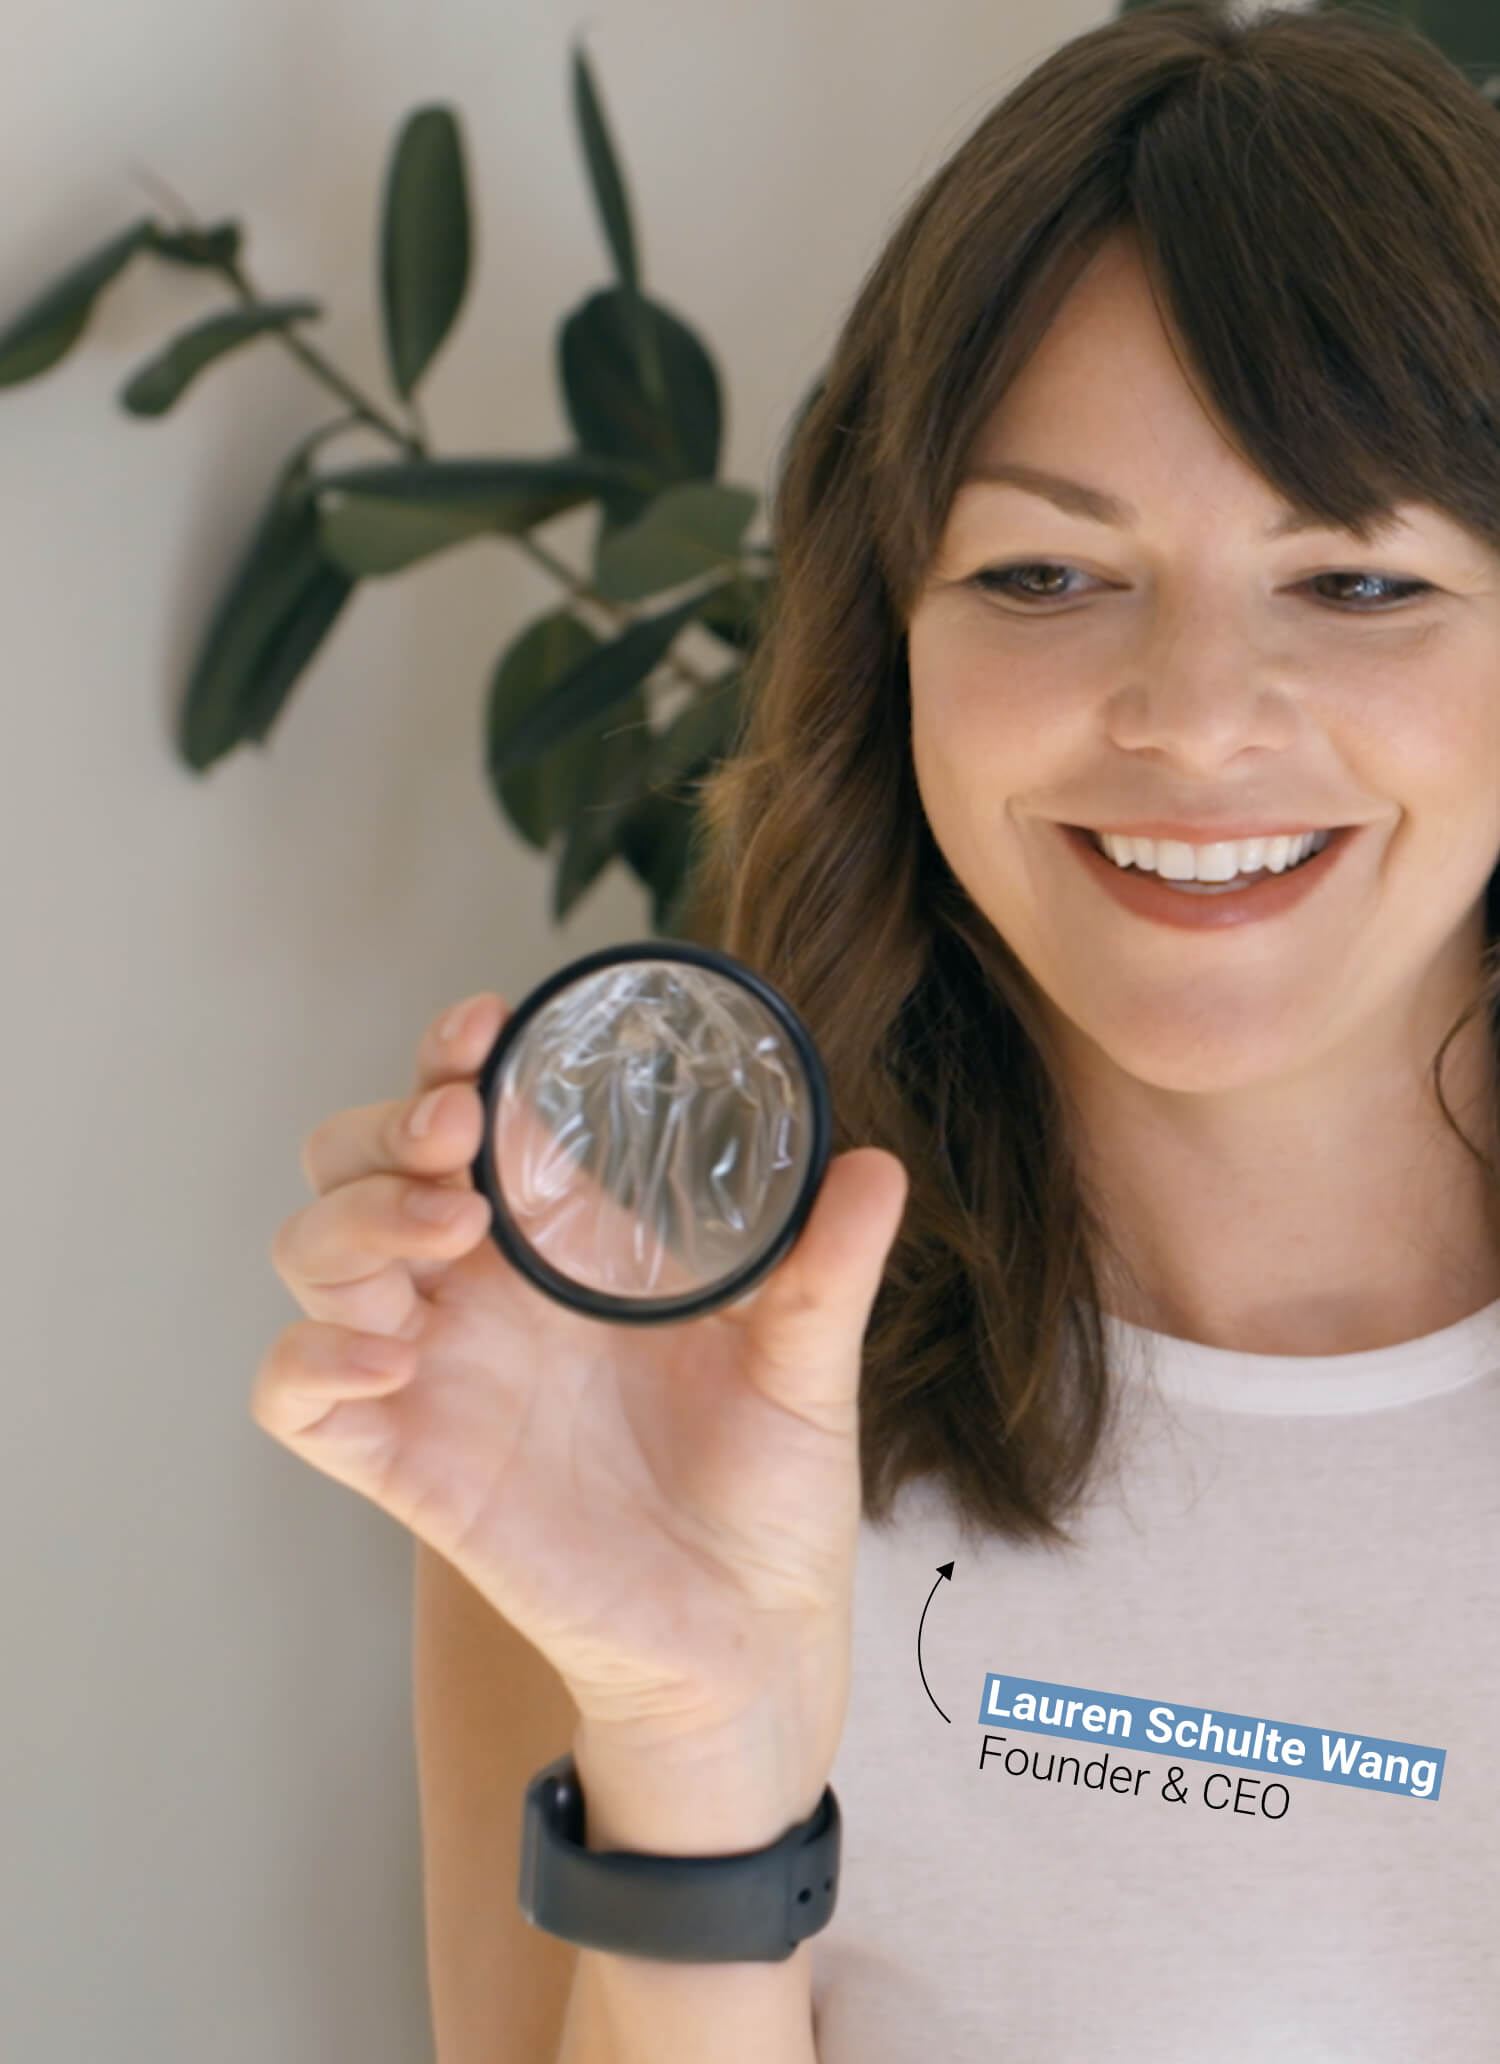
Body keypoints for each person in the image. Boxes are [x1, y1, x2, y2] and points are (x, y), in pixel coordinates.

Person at [253, 1, 1500, 2055]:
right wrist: (701, 1740)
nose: (1195, 717)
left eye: (1357, 584)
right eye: (1042, 573)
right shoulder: (642, 1394)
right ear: (885, 632)